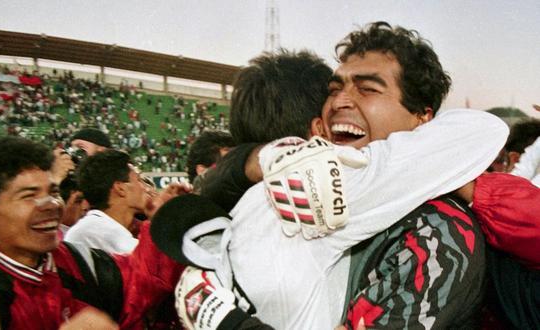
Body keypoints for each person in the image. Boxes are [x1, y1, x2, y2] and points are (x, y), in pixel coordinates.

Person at [154, 42, 508, 329]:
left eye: (367, 89)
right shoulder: (295, 194)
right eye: (335, 89)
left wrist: (228, 323)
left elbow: (484, 130)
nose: (340, 101)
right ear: (316, 127)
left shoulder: (437, 229)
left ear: (423, 119)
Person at [0, 136, 183, 329]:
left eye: (53, 191)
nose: (50, 204)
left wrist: (167, 219)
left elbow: (137, 283)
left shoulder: (70, 259)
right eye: (29, 195)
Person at [64, 150, 152, 254]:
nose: (147, 188)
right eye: (138, 180)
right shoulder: (96, 230)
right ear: (120, 188)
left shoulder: (98, 225)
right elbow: (153, 263)